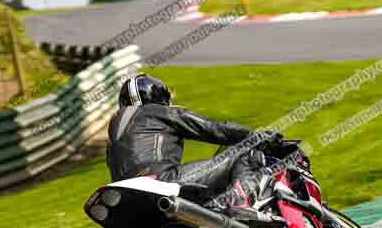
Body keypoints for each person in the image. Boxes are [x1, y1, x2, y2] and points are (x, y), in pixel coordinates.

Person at [106, 73, 279, 213]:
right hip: (163, 181)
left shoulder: (114, 136)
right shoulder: (158, 112)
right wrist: (256, 136)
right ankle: (239, 203)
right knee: (244, 151)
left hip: (129, 201)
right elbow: (214, 128)